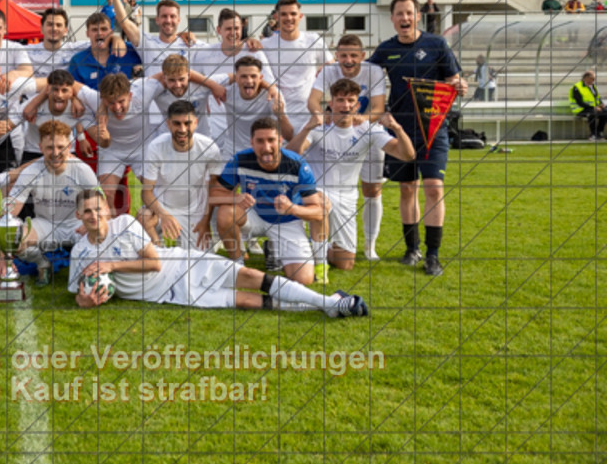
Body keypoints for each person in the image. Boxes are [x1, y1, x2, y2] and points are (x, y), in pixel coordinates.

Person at [69, 189, 369, 318]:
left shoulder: (124, 224)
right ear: (79, 216)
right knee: (246, 301)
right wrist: (84, 299)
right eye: (87, 212)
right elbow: (77, 291)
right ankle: (326, 307)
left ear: (107, 210)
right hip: (169, 294)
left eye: (98, 209)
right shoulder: (80, 253)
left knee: (251, 276)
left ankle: (328, 301)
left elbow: (155, 262)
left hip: (183, 265)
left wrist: (110, 265)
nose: (94, 215)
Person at [369, 0, 467, 277]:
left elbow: (455, 80)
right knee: (406, 188)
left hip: (434, 129)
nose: (404, 18)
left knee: (434, 188)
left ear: (417, 16)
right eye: (399, 13)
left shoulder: (437, 44)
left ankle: (433, 255)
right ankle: (412, 249)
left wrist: (462, 85)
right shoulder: (385, 50)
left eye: (409, 13)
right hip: (400, 132)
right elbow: (365, 78)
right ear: (392, 18)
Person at [288, 81, 415, 269]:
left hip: (347, 198)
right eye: (340, 100)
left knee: (345, 264)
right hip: (316, 193)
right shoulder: (318, 127)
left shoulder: (367, 130)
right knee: (321, 204)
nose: (345, 105)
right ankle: (317, 262)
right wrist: (307, 128)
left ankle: (308, 248)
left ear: (357, 105)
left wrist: (397, 129)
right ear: (331, 103)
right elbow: (291, 155)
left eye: (350, 101)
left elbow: (407, 155)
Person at [214, 117, 327, 284]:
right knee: (225, 213)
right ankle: (238, 266)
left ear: (280, 141)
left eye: (271, 140)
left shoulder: (296, 164)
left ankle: (277, 249)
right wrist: (236, 197)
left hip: (287, 221)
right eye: (260, 141)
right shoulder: (241, 159)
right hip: (254, 215)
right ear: (252, 142)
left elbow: (318, 211)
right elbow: (215, 194)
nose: (266, 147)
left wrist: (292, 209)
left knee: (303, 279)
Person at [307, 34, 388, 260]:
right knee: (325, 184)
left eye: (354, 55)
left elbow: (379, 107)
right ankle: (321, 244)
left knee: (372, 190)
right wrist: (322, 116)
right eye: (343, 55)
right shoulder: (329, 70)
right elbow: (313, 100)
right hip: (336, 130)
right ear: (337, 56)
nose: (349, 60)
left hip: (365, 130)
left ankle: (370, 245)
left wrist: (362, 120)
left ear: (362, 56)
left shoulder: (373, 71)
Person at [3, 120, 100, 286]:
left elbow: (101, 205)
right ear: (41, 148)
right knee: (15, 239)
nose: (55, 152)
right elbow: (10, 213)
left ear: (69, 146)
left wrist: (91, 224)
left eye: (60, 147)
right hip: (45, 224)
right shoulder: (31, 171)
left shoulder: (82, 170)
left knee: (100, 238)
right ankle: (43, 264)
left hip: (75, 225)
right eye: (49, 148)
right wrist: (3, 255)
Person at [140, 100, 225, 250]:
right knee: (143, 216)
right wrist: (164, 215)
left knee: (200, 263)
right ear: (168, 124)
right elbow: (146, 191)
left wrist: (205, 221)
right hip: (163, 208)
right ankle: (158, 252)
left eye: (187, 123)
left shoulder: (209, 148)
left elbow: (214, 189)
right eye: (177, 123)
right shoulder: (156, 147)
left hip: (195, 212)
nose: (182, 129)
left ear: (196, 123)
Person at [76, 73, 160, 217]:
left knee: (155, 188)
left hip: (142, 149)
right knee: (106, 193)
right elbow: (68, 83)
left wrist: (213, 86)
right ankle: (112, 231)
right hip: (112, 152)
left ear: (130, 95)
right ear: (102, 99)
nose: (117, 107)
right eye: (111, 103)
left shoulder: (144, 93)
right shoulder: (94, 99)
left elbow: (167, 74)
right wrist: (74, 100)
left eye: (121, 101)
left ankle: (150, 227)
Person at [260, 0, 334, 131]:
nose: (289, 18)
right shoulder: (266, 45)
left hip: (308, 115)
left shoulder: (313, 40)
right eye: (284, 14)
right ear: (276, 17)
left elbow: (332, 66)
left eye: (293, 14)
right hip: (276, 115)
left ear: (300, 16)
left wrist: (326, 68)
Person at [115, 0, 200, 76]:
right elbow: (124, 22)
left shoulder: (191, 44)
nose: (168, 20)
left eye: (172, 16)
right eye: (164, 16)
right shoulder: (146, 42)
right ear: (157, 19)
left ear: (179, 20)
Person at [218, 56, 292, 160]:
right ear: (236, 78)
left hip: (264, 151)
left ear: (261, 78)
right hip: (233, 151)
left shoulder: (273, 96)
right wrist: (212, 88)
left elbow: (289, 136)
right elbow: (201, 81)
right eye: (244, 76)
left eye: (253, 76)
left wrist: (281, 115)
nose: (249, 81)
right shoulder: (227, 92)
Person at [67, 12, 141, 87]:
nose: (99, 33)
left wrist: (118, 38)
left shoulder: (126, 50)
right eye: (94, 30)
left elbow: (149, 53)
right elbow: (73, 93)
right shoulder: (77, 61)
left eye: (104, 29)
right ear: (87, 33)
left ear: (111, 32)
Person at [568, 71, 606, 141]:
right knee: (592, 114)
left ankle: (599, 133)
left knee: (605, 112)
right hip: (580, 109)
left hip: (591, 108)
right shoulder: (577, 87)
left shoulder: (593, 87)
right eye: (592, 79)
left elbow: (597, 98)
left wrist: (601, 104)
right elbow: (579, 102)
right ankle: (593, 134)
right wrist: (593, 107)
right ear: (586, 78)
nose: (593, 81)